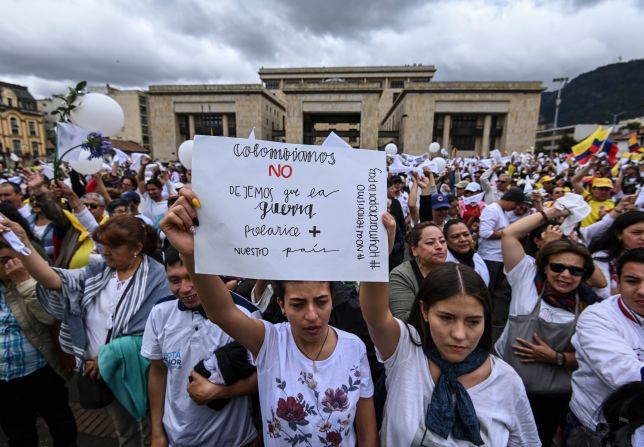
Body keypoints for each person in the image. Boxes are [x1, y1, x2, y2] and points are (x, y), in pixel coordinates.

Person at [159, 190, 378, 446]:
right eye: (297, 304)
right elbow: (221, 312)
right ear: (281, 305)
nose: (311, 315)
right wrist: (190, 255)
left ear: (332, 299)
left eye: (321, 301)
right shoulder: (270, 341)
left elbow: (367, 432)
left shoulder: (355, 347)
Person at [360, 214, 539, 446]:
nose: (459, 334)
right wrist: (378, 253)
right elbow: (375, 315)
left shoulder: (507, 381)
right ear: (424, 311)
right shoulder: (406, 351)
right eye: (446, 318)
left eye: (473, 321)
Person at [0, 214, 171, 447]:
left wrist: (109, 356)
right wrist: (23, 243)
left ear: (137, 247)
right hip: (100, 372)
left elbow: (160, 333)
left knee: (151, 429)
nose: (106, 252)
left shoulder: (159, 279)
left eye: (114, 246)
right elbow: (52, 279)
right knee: (126, 433)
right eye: (104, 246)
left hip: (138, 373)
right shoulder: (98, 271)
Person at [497, 205, 605, 446]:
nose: (565, 274)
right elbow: (509, 234)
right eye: (557, 267)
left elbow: (592, 357)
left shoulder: (588, 303)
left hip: (554, 399)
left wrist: (556, 357)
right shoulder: (525, 276)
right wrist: (555, 211)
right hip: (507, 388)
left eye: (575, 270)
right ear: (544, 266)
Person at [142, 245, 258, 447]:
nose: (185, 288)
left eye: (191, 277)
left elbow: (265, 376)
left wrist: (221, 392)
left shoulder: (245, 315)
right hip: (176, 439)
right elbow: (158, 372)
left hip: (233, 441)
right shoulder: (160, 312)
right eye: (175, 280)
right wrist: (157, 432)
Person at [0, 228, 77, 447]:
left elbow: (49, 317)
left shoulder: (37, 280)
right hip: (5, 377)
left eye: (11, 259)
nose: (7, 266)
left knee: (61, 426)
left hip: (41, 370)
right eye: (2, 260)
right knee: (18, 433)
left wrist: (23, 281)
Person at [567, 248, 644, 443]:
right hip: (600, 432)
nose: (642, 291)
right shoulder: (597, 318)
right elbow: (625, 376)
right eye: (632, 281)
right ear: (617, 280)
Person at [477, 187, 524, 334]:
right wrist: (508, 234)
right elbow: (484, 232)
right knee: (488, 290)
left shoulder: (501, 211)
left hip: (498, 257)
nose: (515, 208)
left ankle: (490, 320)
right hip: (489, 257)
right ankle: (483, 321)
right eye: (515, 204)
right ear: (510, 201)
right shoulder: (492, 210)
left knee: (495, 291)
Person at [389, 222, 447, 321]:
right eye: (430, 242)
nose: (439, 246)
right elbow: (404, 319)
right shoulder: (401, 275)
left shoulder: (453, 270)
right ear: (414, 249)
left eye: (442, 241)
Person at [589, 210, 644, 299]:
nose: (643, 238)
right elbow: (604, 295)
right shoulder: (602, 257)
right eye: (636, 233)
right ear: (619, 234)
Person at [571, 157, 615, 227]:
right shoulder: (587, 198)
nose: (604, 192)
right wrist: (590, 166)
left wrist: (606, 218)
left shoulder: (612, 206)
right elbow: (574, 180)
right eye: (601, 189)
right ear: (593, 189)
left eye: (607, 189)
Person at [444, 219, 490, 286]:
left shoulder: (476, 257)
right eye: (455, 236)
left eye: (466, 234)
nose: (463, 239)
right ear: (446, 241)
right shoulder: (444, 264)